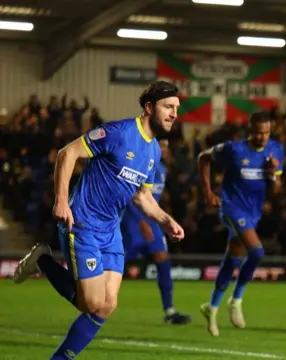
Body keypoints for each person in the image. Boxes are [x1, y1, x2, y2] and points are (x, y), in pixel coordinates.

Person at [12, 81, 185, 359]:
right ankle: (43, 259)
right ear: (149, 107)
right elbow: (67, 154)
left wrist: (166, 221)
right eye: (168, 107)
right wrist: (60, 200)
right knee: (91, 303)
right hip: (83, 222)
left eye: (177, 108)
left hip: (110, 231)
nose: (174, 113)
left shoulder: (152, 152)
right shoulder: (118, 133)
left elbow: (142, 197)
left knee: (107, 305)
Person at [197, 111, 284, 337]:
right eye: (258, 132)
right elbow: (203, 158)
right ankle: (236, 300)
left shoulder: (275, 150)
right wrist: (207, 191)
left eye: (266, 132)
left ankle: (212, 307)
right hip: (231, 206)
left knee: (233, 257)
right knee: (256, 251)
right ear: (250, 130)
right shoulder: (233, 149)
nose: (262, 137)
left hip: (254, 211)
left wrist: (273, 174)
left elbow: (276, 191)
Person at [120, 138, 191, 324]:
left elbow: (153, 199)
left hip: (151, 222)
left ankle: (169, 311)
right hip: (132, 221)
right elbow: (128, 197)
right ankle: (89, 297)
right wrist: (141, 222)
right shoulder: (137, 163)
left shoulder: (161, 170)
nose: (164, 150)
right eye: (161, 145)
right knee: (116, 266)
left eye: (166, 146)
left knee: (163, 261)